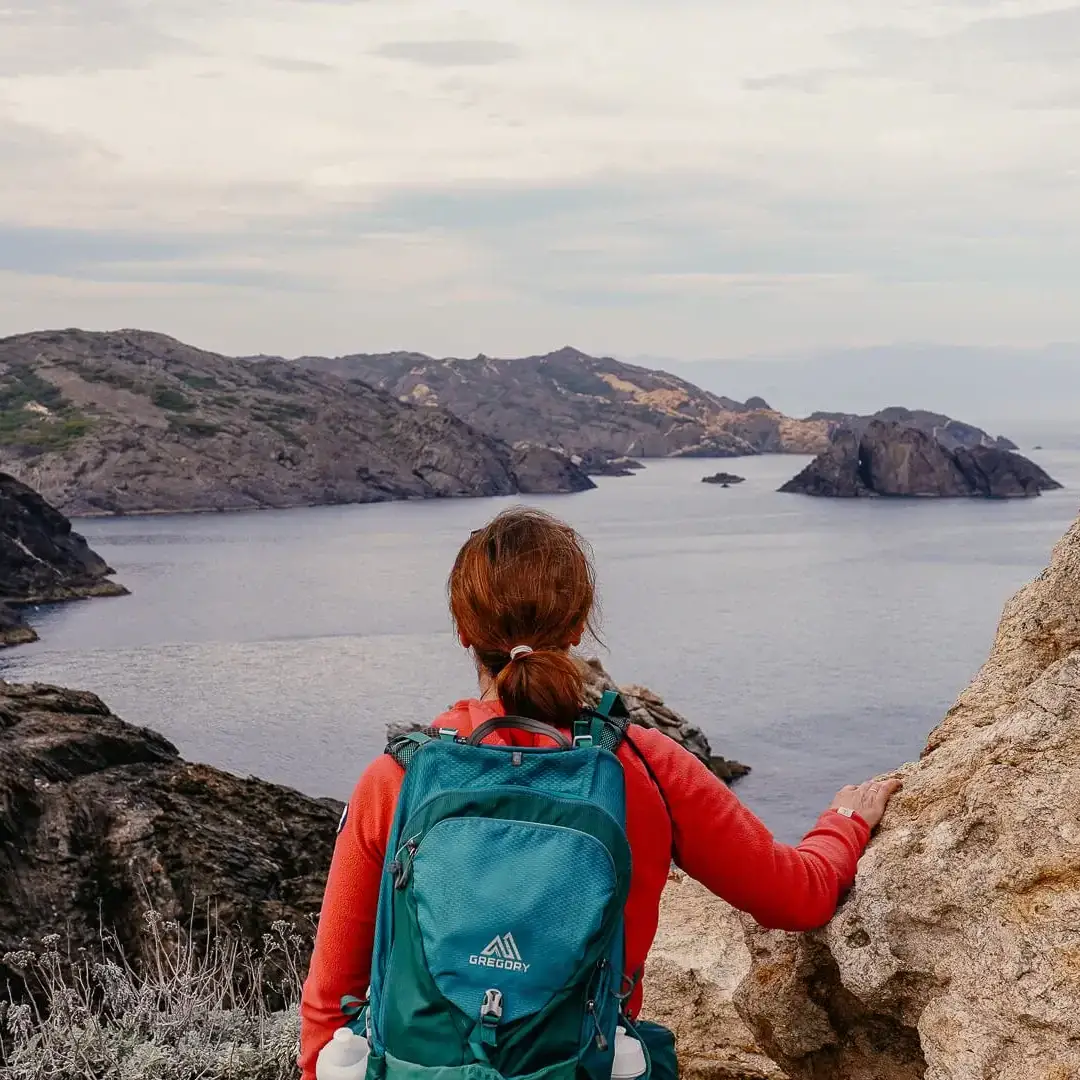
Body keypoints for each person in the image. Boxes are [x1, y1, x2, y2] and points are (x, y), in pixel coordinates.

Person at [299, 507, 900, 1079]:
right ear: (578, 626)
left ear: (462, 631)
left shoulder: (398, 778)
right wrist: (844, 822)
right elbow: (797, 898)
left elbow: (330, 1004)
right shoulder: (643, 766)